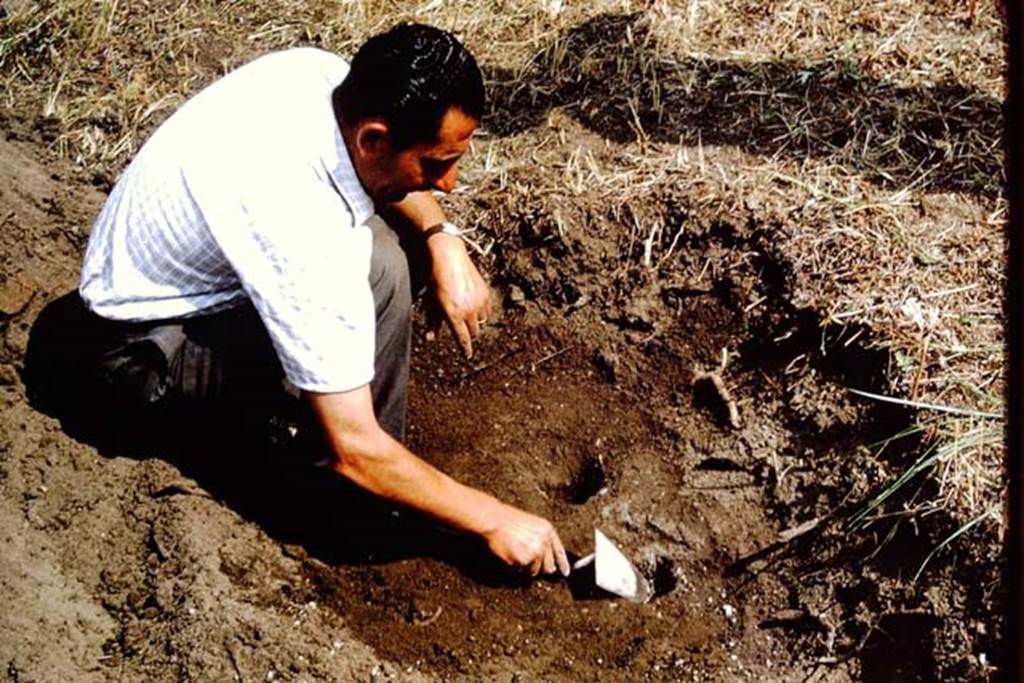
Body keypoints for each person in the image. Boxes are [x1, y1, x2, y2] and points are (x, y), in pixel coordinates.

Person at [40, 24, 570, 578]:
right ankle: (347, 515)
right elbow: (354, 446)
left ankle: (366, 466)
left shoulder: (319, 78)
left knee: (386, 261)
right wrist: (492, 519)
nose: (451, 183)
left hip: (160, 295)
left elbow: (391, 195)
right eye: (436, 164)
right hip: (127, 363)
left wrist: (442, 238)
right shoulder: (299, 222)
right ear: (373, 140)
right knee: (362, 335)